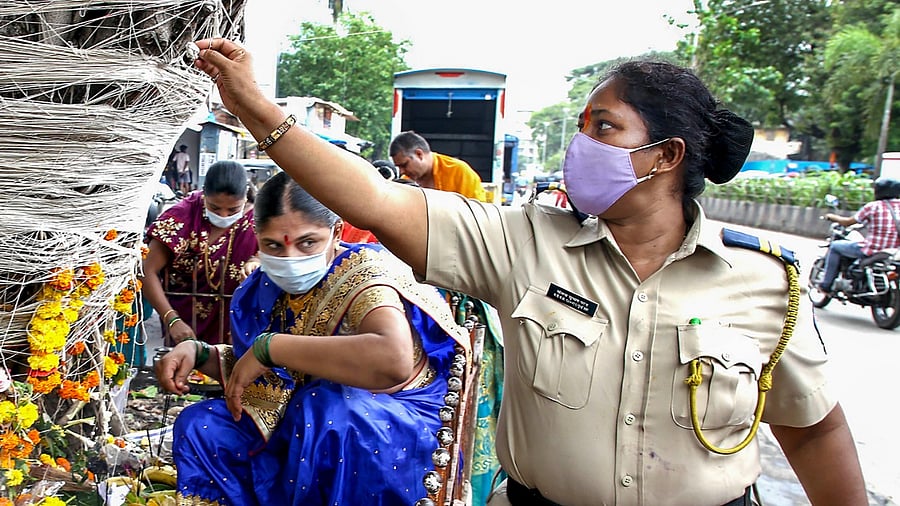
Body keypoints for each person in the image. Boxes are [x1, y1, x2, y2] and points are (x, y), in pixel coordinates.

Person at [195, 40, 867, 505]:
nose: (580, 146)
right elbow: (373, 199)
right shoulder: (523, 244)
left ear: (665, 156)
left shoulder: (766, 284)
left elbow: (813, 430)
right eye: (581, 126)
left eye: (603, 128)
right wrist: (256, 107)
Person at [155, 171, 468, 505]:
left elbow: (393, 362)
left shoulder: (365, 274)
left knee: (324, 409)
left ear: (335, 232)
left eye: (308, 243)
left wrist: (273, 347)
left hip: (386, 420)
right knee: (201, 424)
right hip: (303, 417)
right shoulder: (263, 286)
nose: (290, 259)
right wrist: (201, 354)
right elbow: (278, 377)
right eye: (273, 245)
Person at [142, 160, 258, 346]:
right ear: (204, 195)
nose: (224, 215)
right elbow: (147, 271)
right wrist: (172, 319)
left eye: (233, 210)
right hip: (185, 321)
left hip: (237, 324)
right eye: (215, 208)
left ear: (245, 198)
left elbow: (277, 256)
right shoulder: (181, 217)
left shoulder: (258, 220)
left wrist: (256, 260)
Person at [818, 177, 900, 292]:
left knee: (835, 246)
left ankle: (826, 285)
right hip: (894, 251)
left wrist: (832, 217)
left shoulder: (873, 206)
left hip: (872, 249)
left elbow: (848, 222)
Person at [390, 130, 488, 201]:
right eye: (398, 167)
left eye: (404, 165)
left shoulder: (459, 172)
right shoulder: (405, 182)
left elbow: (478, 213)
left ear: (419, 154)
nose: (402, 171)